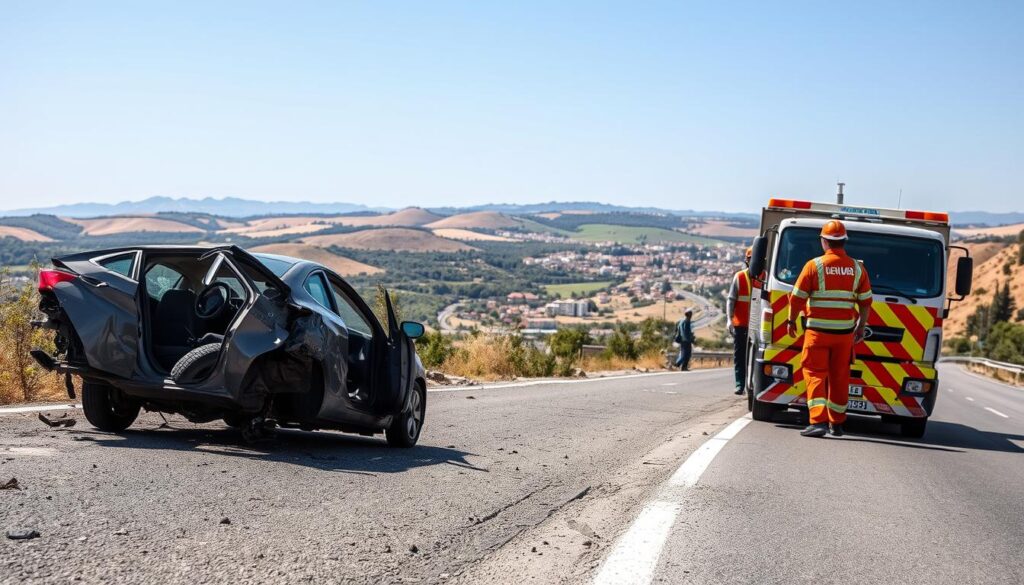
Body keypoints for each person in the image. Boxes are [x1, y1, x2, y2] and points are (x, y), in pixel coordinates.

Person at [787, 220, 872, 438]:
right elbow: (865, 302)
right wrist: (861, 328)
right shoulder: (857, 268)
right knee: (840, 377)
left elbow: (797, 298)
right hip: (844, 336)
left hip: (817, 333)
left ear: (824, 242)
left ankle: (818, 422)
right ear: (844, 241)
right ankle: (837, 425)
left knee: (815, 374)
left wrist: (791, 320)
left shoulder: (813, 266)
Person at [726, 247, 753, 395]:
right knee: (740, 356)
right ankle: (740, 384)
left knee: (755, 357)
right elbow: (731, 300)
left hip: (757, 326)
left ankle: (753, 385)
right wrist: (729, 319)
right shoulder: (739, 277)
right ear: (746, 261)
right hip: (740, 324)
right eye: (750, 259)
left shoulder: (765, 277)